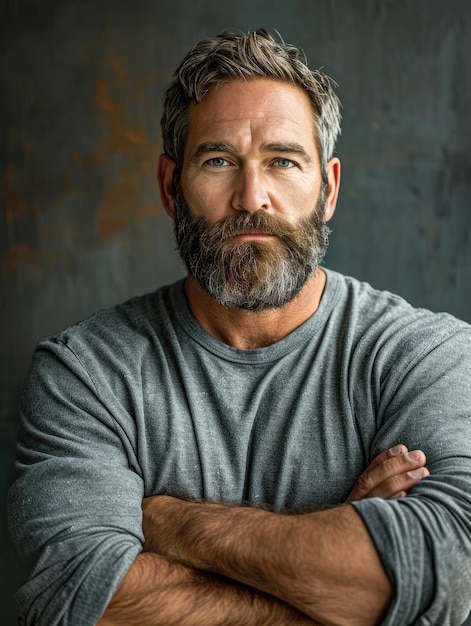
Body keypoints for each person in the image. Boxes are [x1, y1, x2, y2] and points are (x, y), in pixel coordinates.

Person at [7, 28, 471, 626]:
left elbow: (455, 573)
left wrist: (175, 525)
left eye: (282, 161)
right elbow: (74, 600)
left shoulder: (425, 355)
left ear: (327, 189)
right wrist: (341, 569)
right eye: (219, 160)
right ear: (170, 188)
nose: (253, 197)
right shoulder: (86, 373)